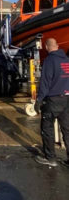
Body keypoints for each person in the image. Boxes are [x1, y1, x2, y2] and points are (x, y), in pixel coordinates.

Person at [34, 38, 69, 167]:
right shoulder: (66, 60)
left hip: (53, 100)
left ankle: (51, 158)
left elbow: (45, 82)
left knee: (47, 128)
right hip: (66, 99)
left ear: (46, 47)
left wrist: (39, 100)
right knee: (67, 129)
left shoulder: (49, 61)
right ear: (58, 45)